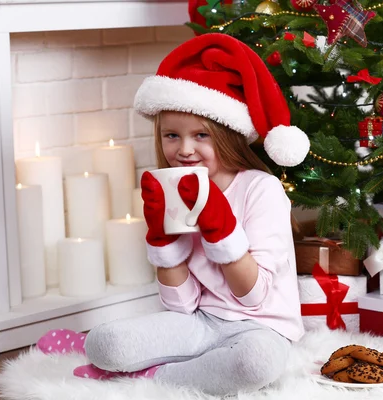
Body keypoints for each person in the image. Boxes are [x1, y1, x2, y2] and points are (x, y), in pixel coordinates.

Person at [35, 33, 310, 396]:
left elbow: (253, 296)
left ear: (227, 135)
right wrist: (161, 240)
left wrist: (221, 230)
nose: (184, 150)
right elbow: (180, 304)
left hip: (260, 328)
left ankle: (153, 376)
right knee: (104, 342)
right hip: (200, 321)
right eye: (171, 136)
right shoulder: (173, 187)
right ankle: (166, 365)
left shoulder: (261, 189)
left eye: (201, 135)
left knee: (255, 363)